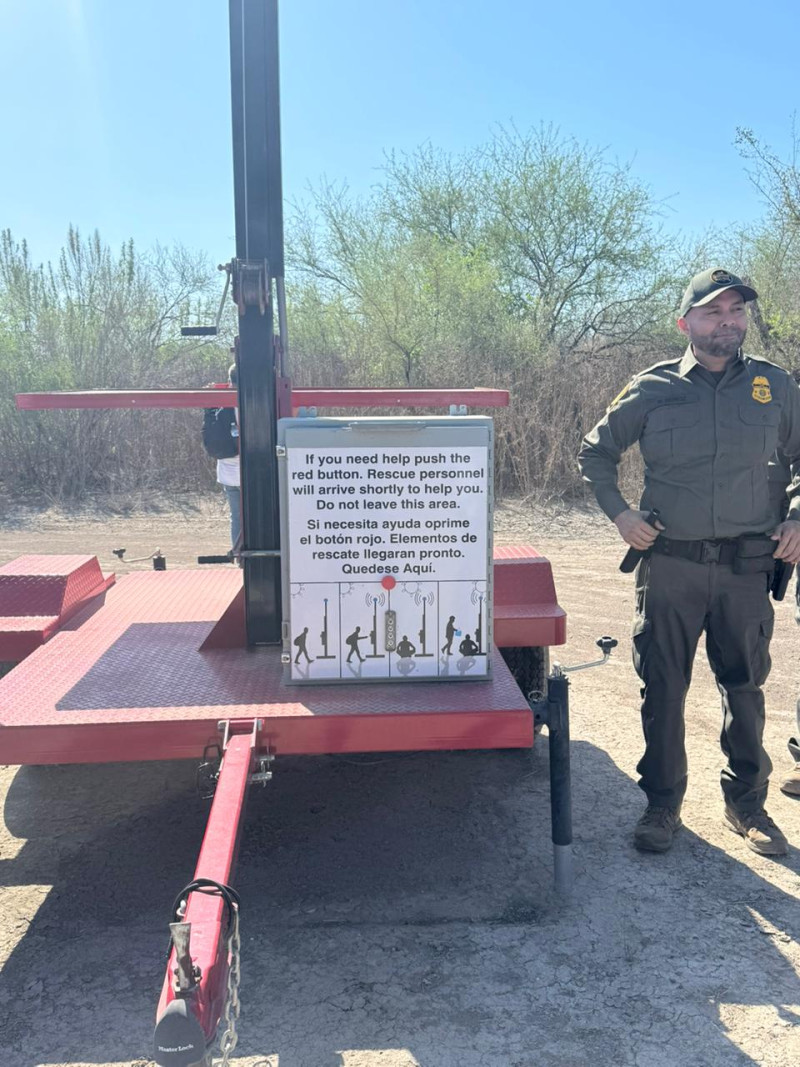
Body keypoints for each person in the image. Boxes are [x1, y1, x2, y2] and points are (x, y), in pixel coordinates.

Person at [578, 267, 800, 857]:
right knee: (664, 688)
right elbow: (595, 454)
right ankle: (662, 804)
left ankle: (748, 805)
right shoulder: (651, 388)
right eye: (713, 313)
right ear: (686, 323)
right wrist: (621, 515)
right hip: (670, 566)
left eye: (736, 312)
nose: (728, 322)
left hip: (747, 568)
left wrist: (797, 516)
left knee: (746, 687)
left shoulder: (775, 387)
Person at [203, 364, 240, 551]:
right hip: (255, 474)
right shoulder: (256, 404)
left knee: (237, 517)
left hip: (229, 475)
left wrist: (210, 398)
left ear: (229, 382)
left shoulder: (221, 409)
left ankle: (240, 556)